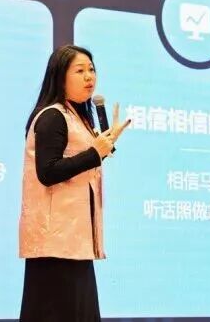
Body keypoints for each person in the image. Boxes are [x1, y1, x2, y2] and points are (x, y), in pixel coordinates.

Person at [18, 44, 129, 322]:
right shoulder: (53, 116)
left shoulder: (76, 117)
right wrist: (95, 153)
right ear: (60, 77)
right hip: (55, 244)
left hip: (74, 241)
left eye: (92, 69)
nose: (89, 76)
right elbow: (47, 171)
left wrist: (103, 146)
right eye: (79, 71)